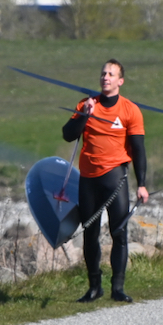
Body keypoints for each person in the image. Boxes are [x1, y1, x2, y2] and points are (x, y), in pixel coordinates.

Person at [62, 59, 149, 303]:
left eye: (111, 74)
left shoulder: (130, 110)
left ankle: (118, 288)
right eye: (103, 73)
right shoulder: (86, 104)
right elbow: (68, 135)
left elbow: (139, 149)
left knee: (118, 232)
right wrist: (84, 114)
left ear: (120, 81)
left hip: (115, 176)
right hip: (88, 178)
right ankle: (94, 287)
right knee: (90, 233)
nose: (105, 77)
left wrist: (141, 183)